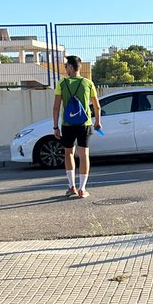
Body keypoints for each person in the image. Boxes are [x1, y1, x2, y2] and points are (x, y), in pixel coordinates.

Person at [52, 56, 101, 199]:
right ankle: (82, 188)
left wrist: (55, 127)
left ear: (72, 67)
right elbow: (97, 106)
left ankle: (71, 186)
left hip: (67, 124)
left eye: (66, 65)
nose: (65, 68)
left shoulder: (61, 83)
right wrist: (97, 122)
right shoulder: (88, 83)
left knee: (69, 153)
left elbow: (56, 108)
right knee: (84, 154)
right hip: (84, 124)